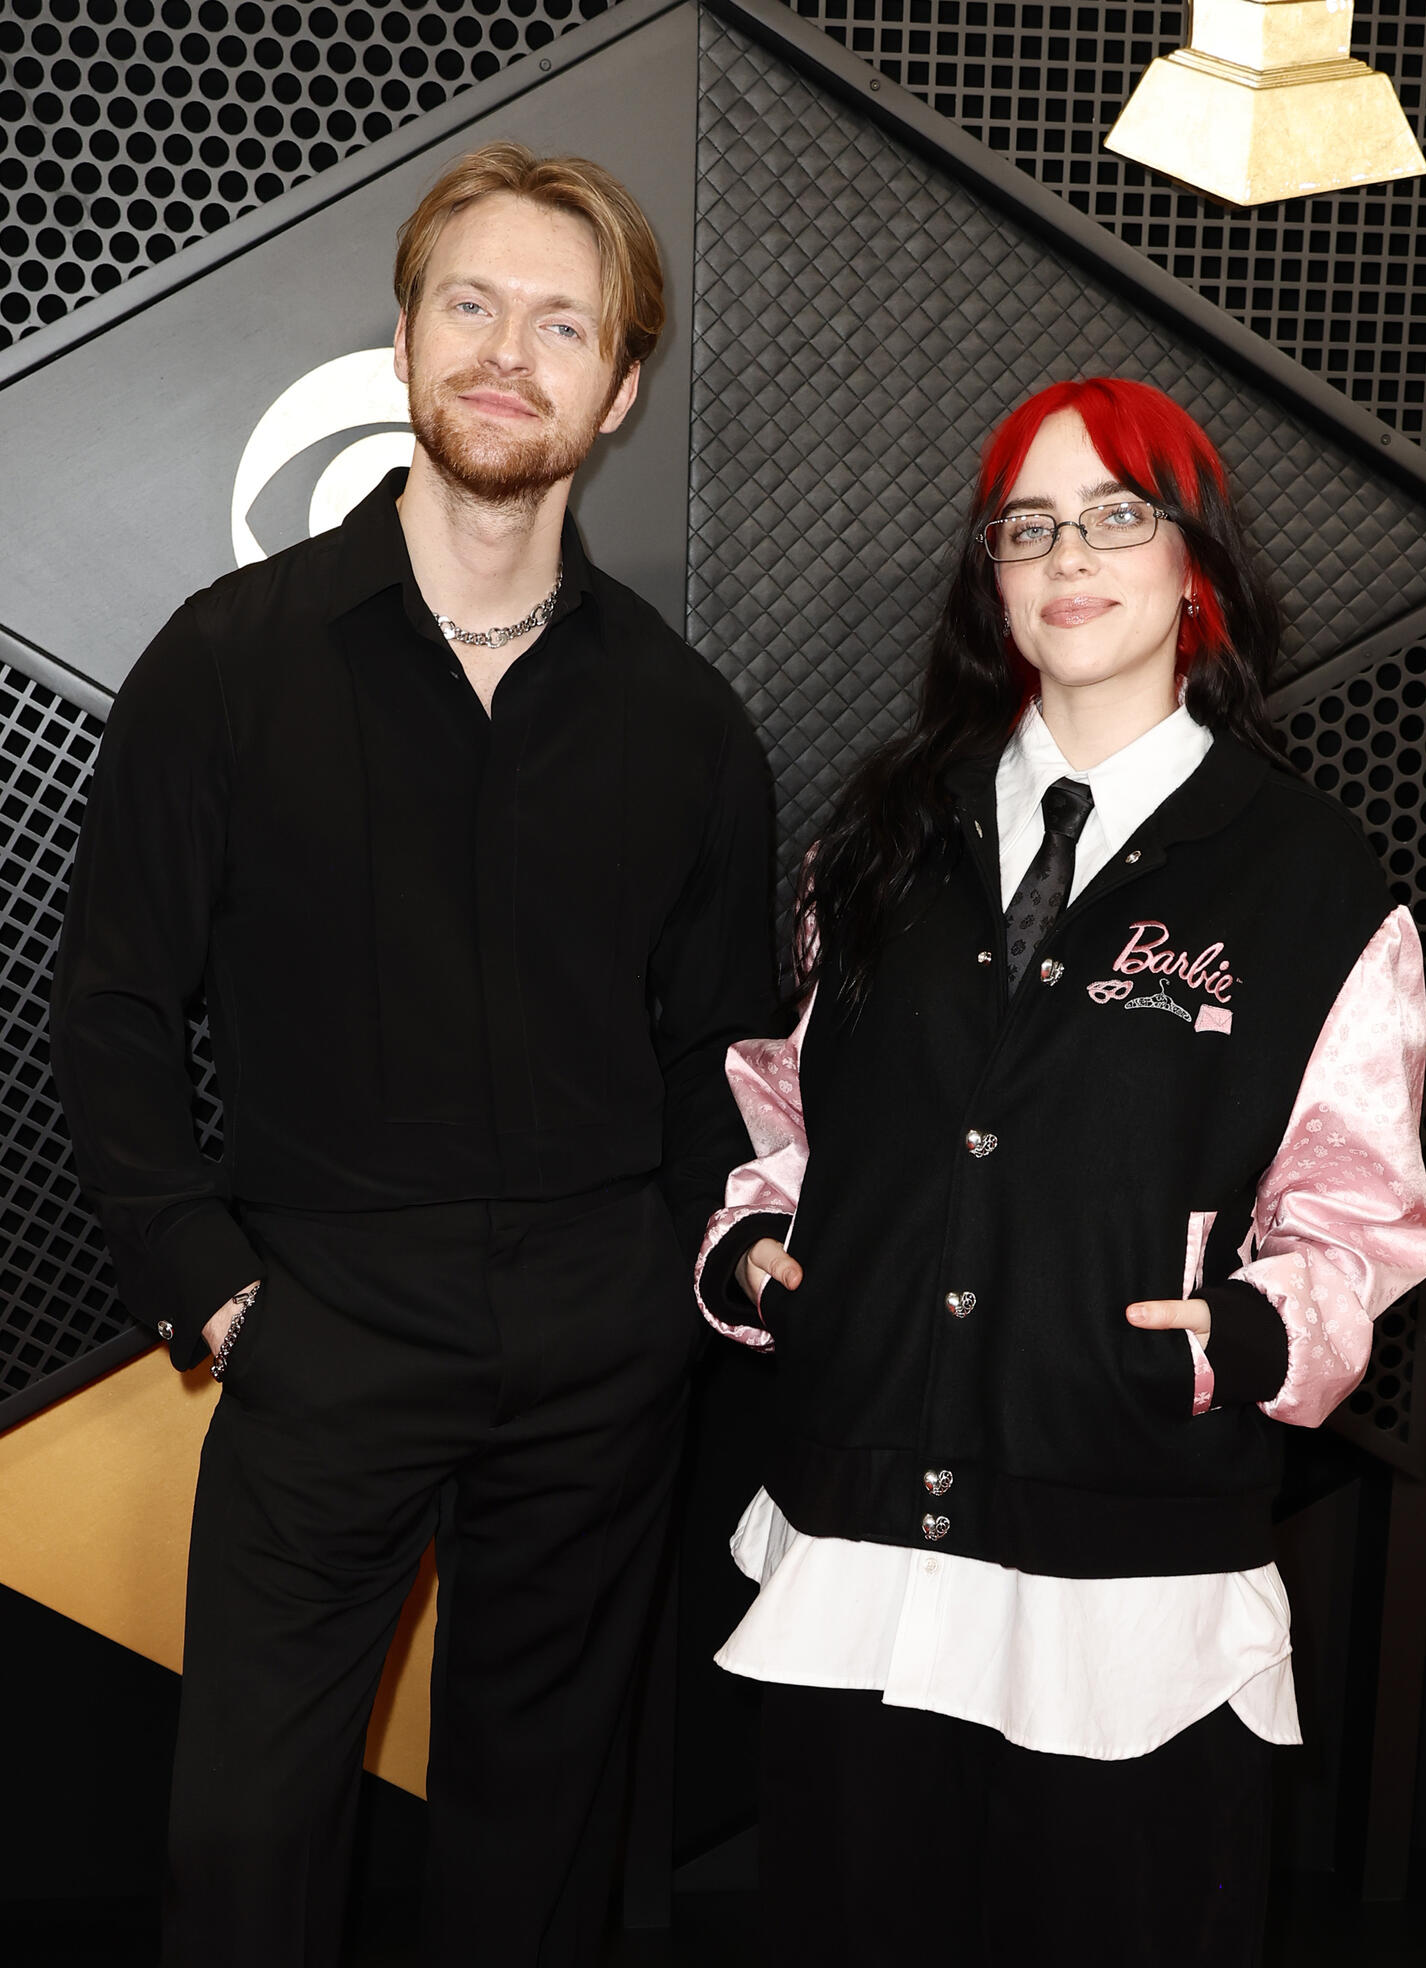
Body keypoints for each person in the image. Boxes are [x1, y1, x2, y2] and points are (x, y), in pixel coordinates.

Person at [51, 142, 773, 1968]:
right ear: (403, 342)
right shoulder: (228, 666)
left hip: (600, 1353)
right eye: (472, 303)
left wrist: (672, 1294)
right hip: (318, 1327)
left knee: (539, 1845)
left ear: (614, 389)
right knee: (244, 1843)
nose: (507, 350)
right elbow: (119, 1001)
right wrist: (211, 1287)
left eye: (559, 321)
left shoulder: (687, 725)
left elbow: (724, 1050)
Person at [695, 377, 1426, 1967]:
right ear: (992, 578)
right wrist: (759, 1251)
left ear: (1197, 567)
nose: (1068, 553)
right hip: (859, 1544)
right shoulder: (881, 837)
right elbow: (796, 1116)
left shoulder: (1312, 882)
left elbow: (1360, 1216)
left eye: (1118, 512)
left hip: (1131, 1575)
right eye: (1026, 526)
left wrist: (1239, 1337)